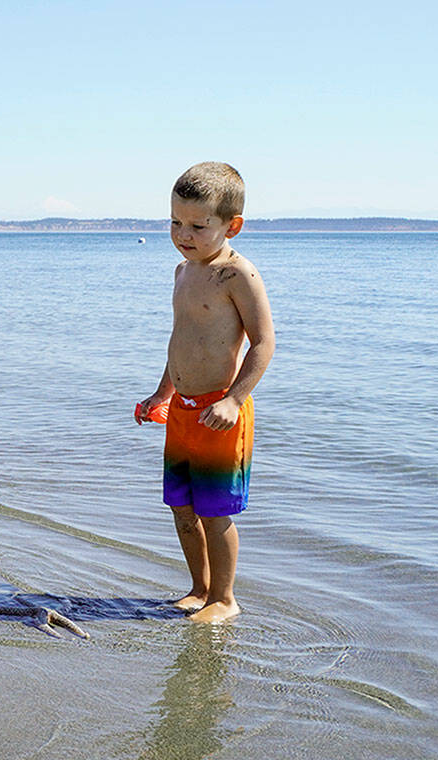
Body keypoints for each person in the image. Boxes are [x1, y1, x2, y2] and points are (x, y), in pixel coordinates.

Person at [135, 162, 276, 624]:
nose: (183, 234)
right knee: (182, 508)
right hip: (182, 410)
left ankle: (225, 598)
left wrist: (234, 399)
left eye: (198, 226)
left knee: (215, 513)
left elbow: (264, 343)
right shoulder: (182, 271)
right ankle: (198, 589)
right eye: (175, 222)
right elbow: (182, 341)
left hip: (220, 412)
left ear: (231, 225)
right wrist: (162, 393)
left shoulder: (237, 275)